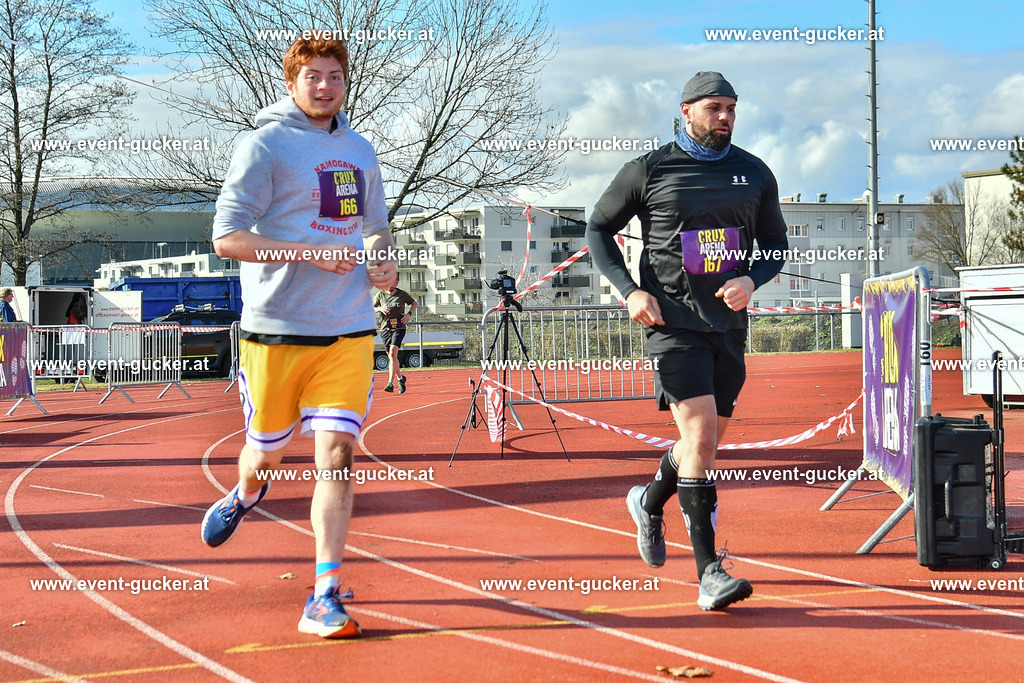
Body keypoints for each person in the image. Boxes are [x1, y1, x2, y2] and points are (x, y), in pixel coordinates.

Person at [201, 36, 398, 640]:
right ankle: (246, 489)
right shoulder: (264, 145)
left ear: (345, 83)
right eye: (312, 76)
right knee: (265, 456)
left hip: (347, 328)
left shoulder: (360, 150)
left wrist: (384, 265)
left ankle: (323, 592)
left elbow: (376, 229)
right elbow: (226, 238)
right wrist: (307, 252)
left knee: (337, 456)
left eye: (335, 76)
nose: (324, 86)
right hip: (276, 330)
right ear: (292, 83)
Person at [586, 71, 788, 611]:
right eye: (714, 108)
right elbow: (597, 229)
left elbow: (774, 245)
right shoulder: (650, 169)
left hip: (728, 326)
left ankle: (648, 502)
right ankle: (709, 574)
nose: (725, 117)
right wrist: (630, 291)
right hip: (671, 323)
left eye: (731, 108)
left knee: (705, 444)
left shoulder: (754, 172)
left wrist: (752, 279)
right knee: (698, 437)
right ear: (686, 111)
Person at [372, 284, 417, 393]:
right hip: (385, 329)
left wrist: (409, 314)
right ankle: (401, 378)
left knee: (393, 353)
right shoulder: (380, 294)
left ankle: (390, 383)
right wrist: (380, 309)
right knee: (392, 357)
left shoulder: (402, 294)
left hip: (399, 328)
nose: (389, 287)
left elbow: (414, 303)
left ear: (396, 283)